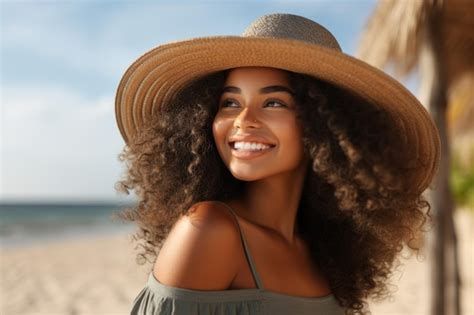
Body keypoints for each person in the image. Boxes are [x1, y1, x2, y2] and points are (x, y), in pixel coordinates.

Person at [114, 13, 440, 315]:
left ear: (326, 125)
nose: (243, 120)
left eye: (273, 102)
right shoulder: (209, 231)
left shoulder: (323, 252)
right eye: (230, 102)